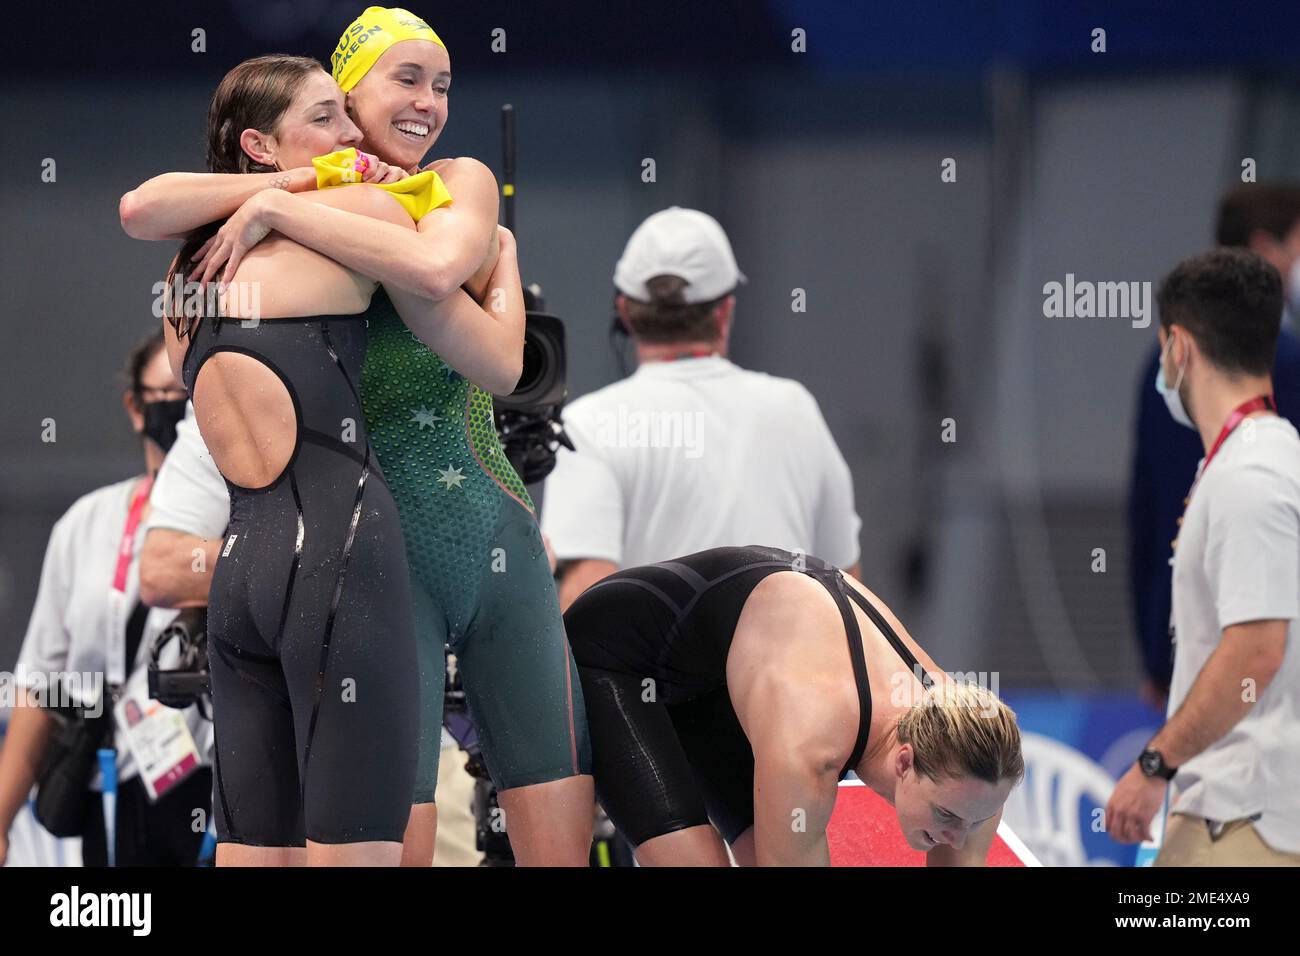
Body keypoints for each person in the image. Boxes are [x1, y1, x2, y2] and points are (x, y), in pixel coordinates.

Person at [121, 7, 594, 865]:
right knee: (379, 841)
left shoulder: (454, 181)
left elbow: (473, 327)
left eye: (443, 84)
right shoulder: (355, 204)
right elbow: (145, 210)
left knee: (553, 832)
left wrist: (278, 203)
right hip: (368, 570)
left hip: (487, 541)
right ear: (345, 95)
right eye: (403, 80)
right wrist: (292, 192)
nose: (428, 103)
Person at [564, 545, 1023, 866]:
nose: (958, 836)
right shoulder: (813, 739)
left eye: (976, 821)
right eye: (946, 817)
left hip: (718, 678)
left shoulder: (979, 765)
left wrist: (966, 819)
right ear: (905, 760)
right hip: (616, 658)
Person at [540, 207, 862, 612]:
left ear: (624, 311)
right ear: (724, 311)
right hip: (788, 672)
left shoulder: (591, 424)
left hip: (654, 676)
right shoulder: (796, 408)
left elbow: (586, 600)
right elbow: (849, 588)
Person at [1107, 248, 1300, 865]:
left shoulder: (1254, 474)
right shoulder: (1258, 460)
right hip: (1236, 807)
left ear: (1179, 348)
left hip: (1244, 815)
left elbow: (1257, 648)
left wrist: (1155, 763)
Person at [0, 330, 212, 867]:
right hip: (103, 772)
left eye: (194, 393)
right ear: (136, 407)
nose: (183, 412)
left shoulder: (242, 519)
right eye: (167, 394)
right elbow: (42, 682)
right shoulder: (87, 523)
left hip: (208, 780)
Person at [1128, 183, 1300, 708]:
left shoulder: (1261, 460)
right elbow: (1149, 514)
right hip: (1204, 637)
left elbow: (1144, 520)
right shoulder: (1284, 367)